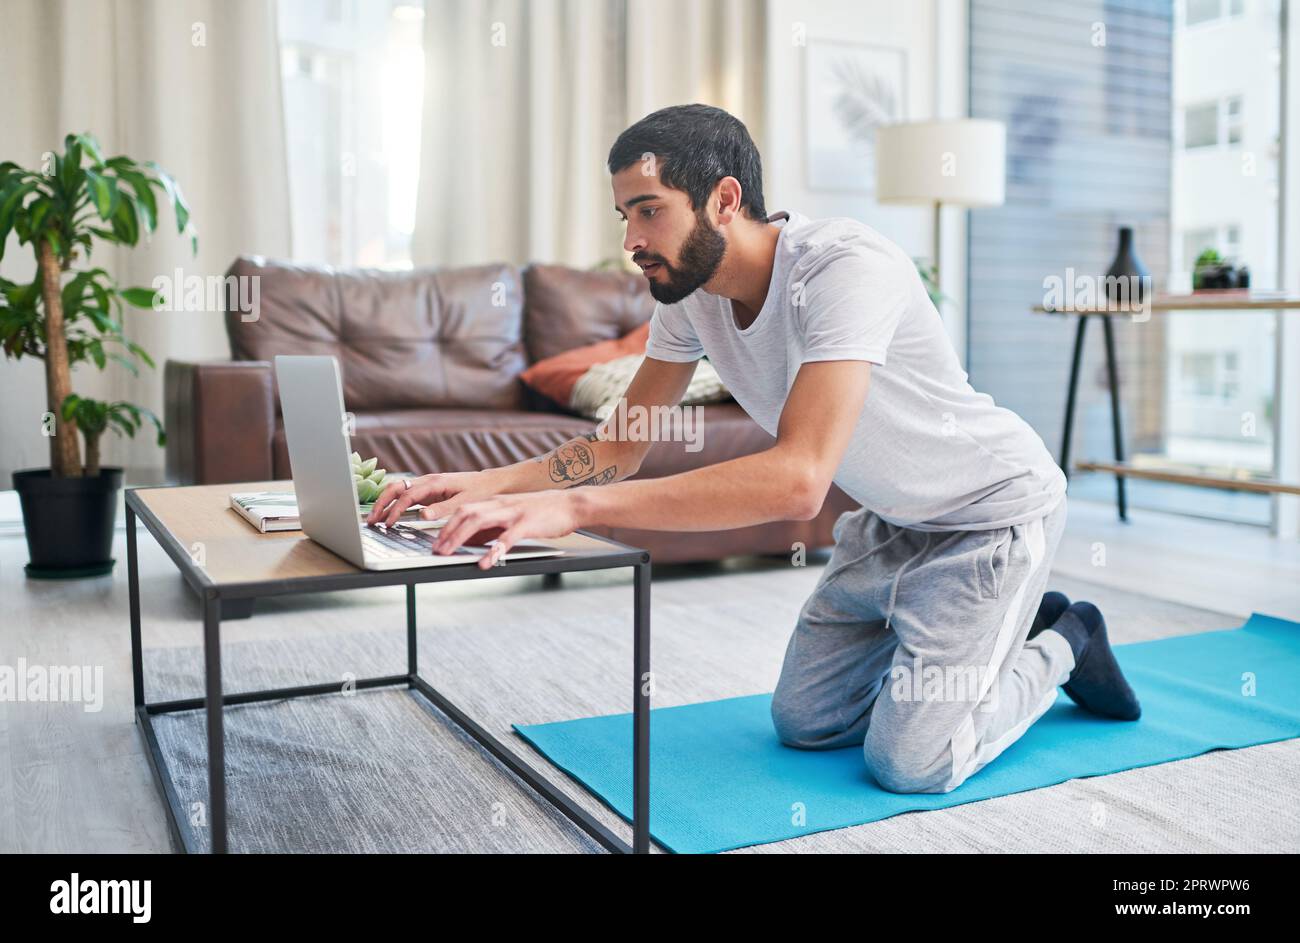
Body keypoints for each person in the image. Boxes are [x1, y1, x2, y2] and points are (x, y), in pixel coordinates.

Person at [368, 103, 1141, 794]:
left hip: (989, 517)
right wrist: (475, 485)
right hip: (890, 524)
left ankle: (1063, 640)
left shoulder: (845, 268)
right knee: (805, 722)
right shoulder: (690, 299)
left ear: (725, 199)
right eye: (623, 216)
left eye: (648, 211)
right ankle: (964, 643)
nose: (631, 241)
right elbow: (618, 448)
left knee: (911, 764)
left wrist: (571, 508)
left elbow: (799, 479)